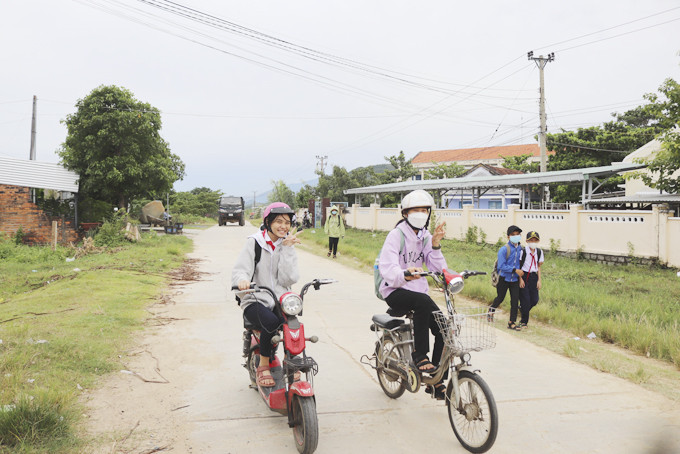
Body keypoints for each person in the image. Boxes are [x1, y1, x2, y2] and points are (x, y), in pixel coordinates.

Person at [378, 190, 449, 399]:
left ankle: (436, 380)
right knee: (422, 302)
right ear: (405, 213)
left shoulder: (426, 236)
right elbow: (387, 267)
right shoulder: (396, 235)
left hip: (418, 293)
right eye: (416, 210)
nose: (421, 213)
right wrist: (404, 275)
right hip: (395, 290)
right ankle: (420, 355)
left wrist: (435, 244)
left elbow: (437, 267)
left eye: (424, 210)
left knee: (444, 329)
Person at [232, 202, 301, 387]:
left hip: (280, 298)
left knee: (292, 324)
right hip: (255, 298)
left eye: (287, 222)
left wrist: (287, 249)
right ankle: (263, 365)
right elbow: (241, 269)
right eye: (278, 221)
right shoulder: (254, 242)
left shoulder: (286, 243)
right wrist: (242, 281)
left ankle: (292, 362)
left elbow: (289, 279)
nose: (283, 226)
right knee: (270, 322)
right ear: (268, 221)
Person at [488, 225, 524, 331]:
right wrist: (514, 270)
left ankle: (511, 322)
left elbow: (522, 265)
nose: (516, 236)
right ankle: (491, 310)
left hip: (515, 280)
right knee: (500, 298)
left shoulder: (521, 250)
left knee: (514, 301)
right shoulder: (504, 249)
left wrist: (520, 275)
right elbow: (501, 266)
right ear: (508, 237)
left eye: (518, 234)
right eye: (513, 235)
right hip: (504, 278)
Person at [518, 231, 544, 329]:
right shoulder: (523, 252)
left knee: (534, 300)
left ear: (538, 241)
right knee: (526, 300)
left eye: (535, 240)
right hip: (524, 276)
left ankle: (522, 309)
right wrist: (520, 279)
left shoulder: (539, 252)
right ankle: (524, 322)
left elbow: (539, 267)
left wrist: (539, 280)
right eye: (531, 240)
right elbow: (518, 266)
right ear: (527, 241)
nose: (533, 242)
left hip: (534, 277)